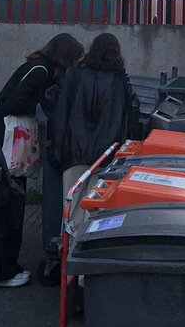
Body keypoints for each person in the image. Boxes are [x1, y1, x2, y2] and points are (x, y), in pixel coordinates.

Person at [0, 32, 83, 287]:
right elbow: (13, 103)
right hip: (6, 142)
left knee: (12, 202)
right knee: (8, 204)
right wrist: (44, 102)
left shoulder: (38, 67)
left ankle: (6, 266)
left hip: (7, 142)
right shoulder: (40, 71)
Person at [49, 32, 137, 207]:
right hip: (106, 155)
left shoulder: (74, 75)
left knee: (72, 207)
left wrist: (58, 151)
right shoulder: (119, 81)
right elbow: (128, 117)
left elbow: (60, 115)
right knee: (95, 209)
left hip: (74, 153)